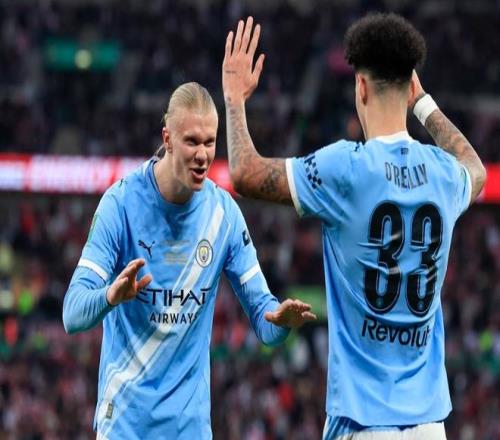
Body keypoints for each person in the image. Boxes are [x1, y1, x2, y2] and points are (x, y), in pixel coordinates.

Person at [222, 14, 486, 440]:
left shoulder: (346, 168)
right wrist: (424, 104)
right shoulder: (444, 173)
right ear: (409, 87)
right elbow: (476, 168)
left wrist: (234, 99)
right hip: (429, 425)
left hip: (363, 422)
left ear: (360, 86)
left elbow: (245, 173)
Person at [62, 81, 316, 439]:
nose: (202, 154)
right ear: (167, 139)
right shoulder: (120, 205)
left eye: (209, 142)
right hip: (124, 425)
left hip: (189, 429)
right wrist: (109, 297)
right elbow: (72, 314)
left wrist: (281, 321)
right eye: (192, 141)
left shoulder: (223, 215)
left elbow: (265, 321)